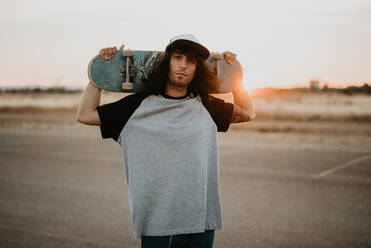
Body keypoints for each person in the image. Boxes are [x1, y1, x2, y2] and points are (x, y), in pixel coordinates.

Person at [76, 34, 255, 248]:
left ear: (197, 69)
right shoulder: (136, 107)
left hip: (202, 224)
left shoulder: (207, 106)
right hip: (159, 226)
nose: (183, 65)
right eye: (178, 57)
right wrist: (100, 73)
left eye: (191, 61)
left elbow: (248, 113)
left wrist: (233, 74)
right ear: (166, 62)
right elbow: (85, 114)